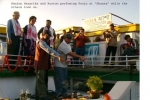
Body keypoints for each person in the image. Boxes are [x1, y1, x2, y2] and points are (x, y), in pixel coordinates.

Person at [34, 32, 64, 100]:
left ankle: (38, 94)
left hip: (43, 65)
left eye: (49, 36)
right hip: (40, 64)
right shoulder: (41, 42)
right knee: (41, 80)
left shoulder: (44, 42)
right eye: (47, 35)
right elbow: (49, 50)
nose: (48, 37)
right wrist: (58, 56)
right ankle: (43, 96)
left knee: (41, 80)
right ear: (43, 35)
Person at [54, 33, 85, 98]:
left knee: (65, 80)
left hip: (64, 64)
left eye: (70, 39)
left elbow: (71, 53)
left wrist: (78, 56)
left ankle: (64, 93)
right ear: (64, 38)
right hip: (59, 64)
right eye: (68, 39)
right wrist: (80, 56)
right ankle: (58, 93)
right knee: (60, 79)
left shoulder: (68, 45)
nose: (69, 40)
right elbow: (70, 53)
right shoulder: (62, 45)